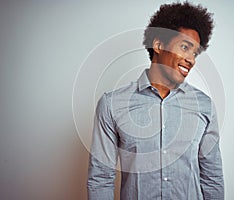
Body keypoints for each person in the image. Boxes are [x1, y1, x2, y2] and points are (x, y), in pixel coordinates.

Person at [87, 2, 224, 200]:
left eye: (194, 53)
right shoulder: (112, 105)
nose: (191, 59)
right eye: (185, 47)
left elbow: (212, 177)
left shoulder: (204, 107)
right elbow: (101, 179)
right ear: (159, 45)